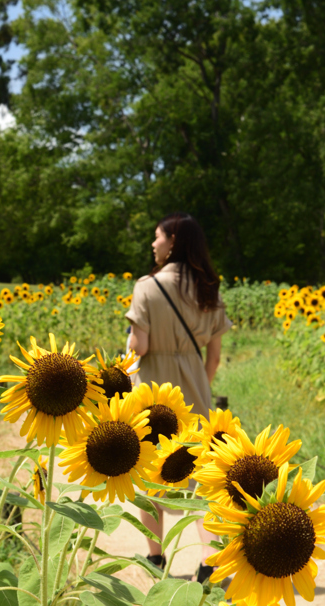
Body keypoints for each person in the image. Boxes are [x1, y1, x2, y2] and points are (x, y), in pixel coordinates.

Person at [126, 213, 232, 583]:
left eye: (156, 237)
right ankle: (209, 558)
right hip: (195, 387)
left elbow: (140, 346)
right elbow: (215, 356)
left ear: (172, 240)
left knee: (150, 472)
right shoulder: (209, 288)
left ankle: (155, 558)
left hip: (153, 389)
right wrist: (197, 389)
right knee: (201, 476)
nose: (152, 244)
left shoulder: (147, 287)